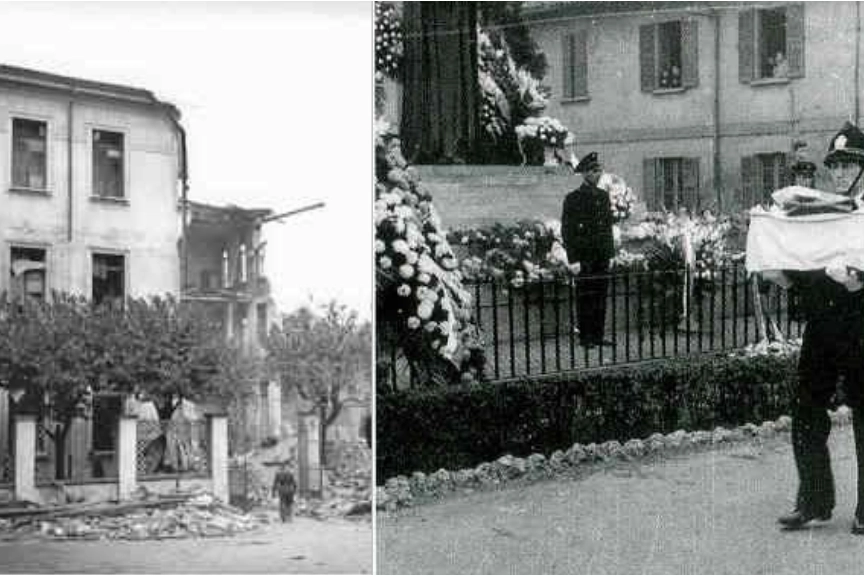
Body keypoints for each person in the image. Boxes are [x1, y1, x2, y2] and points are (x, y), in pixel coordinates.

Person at [775, 122, 864, 534]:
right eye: (837, 166)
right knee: (806, 407)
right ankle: (813, 500)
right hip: (824, 325)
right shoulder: (820, 209)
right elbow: (806, 261)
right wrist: (784, 276)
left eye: (851, 165)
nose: (842, 173)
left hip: (862, 323)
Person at [561, 151, 615, 348]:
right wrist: (573, 259)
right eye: (593, 171)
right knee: (586, 297)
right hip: (585, 256)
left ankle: (598, 335)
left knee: (601, 295)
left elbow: (607, 228)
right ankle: (586, 337)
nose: (597, 174)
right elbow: (567, 230)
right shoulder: (573, 198)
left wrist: (611, 254)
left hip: (602, 255)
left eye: (598, 170)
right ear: (584, 174)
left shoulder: (603, 196)